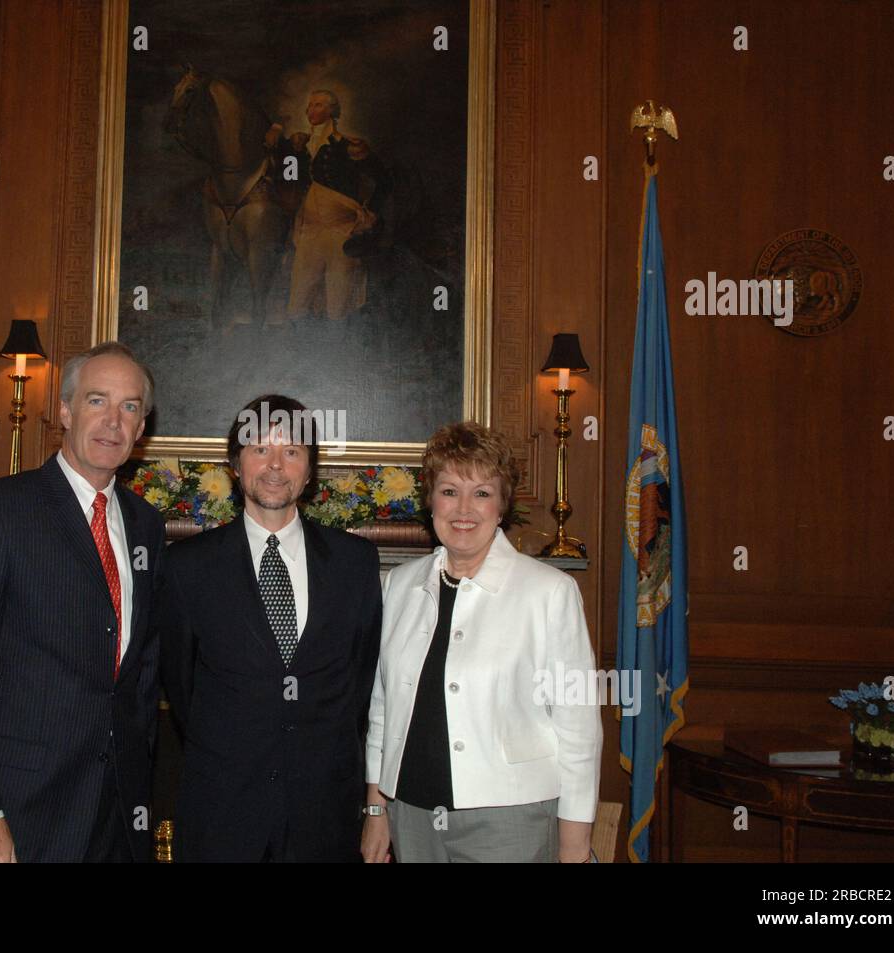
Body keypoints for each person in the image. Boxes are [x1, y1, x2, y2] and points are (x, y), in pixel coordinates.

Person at [0, 342, 166, 862]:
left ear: (142, 428)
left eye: (129, 407)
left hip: (117, 817)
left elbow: (140, 676)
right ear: (63, 410)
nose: (113, 421)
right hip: (14, 815)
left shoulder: (146, 524)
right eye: (97, 400)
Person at [360, 421, 602, 863]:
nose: (463, 509)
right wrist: (377, 808)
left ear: (502, 505)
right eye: (450, 491)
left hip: (511, 820)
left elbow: (579, 728)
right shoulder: (398, 585)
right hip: (411, 814)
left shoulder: (549, 592)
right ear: (430, 499)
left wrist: (575, 843)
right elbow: (382, 708)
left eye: (482, 493)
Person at [155, 394, 383, 861]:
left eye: (292, 451)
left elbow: (360, 683)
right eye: (260, 449)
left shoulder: (353, 563)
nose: (275, 465)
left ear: (310, 468)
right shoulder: (187, 567)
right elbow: (181, 687)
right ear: (235, 464)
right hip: (223, 814)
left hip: (324, 817)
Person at [265, 89, 391, 322]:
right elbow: (282, 169)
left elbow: (383, 180)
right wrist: (276, 129)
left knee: (338, 302)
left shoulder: (348, 145)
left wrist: (370, 213)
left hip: (340, 230)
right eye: (310, 105)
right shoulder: (300, 145)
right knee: (298, 301)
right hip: (309, 230)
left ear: (332, 110)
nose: (311, 110)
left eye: (319, 105)